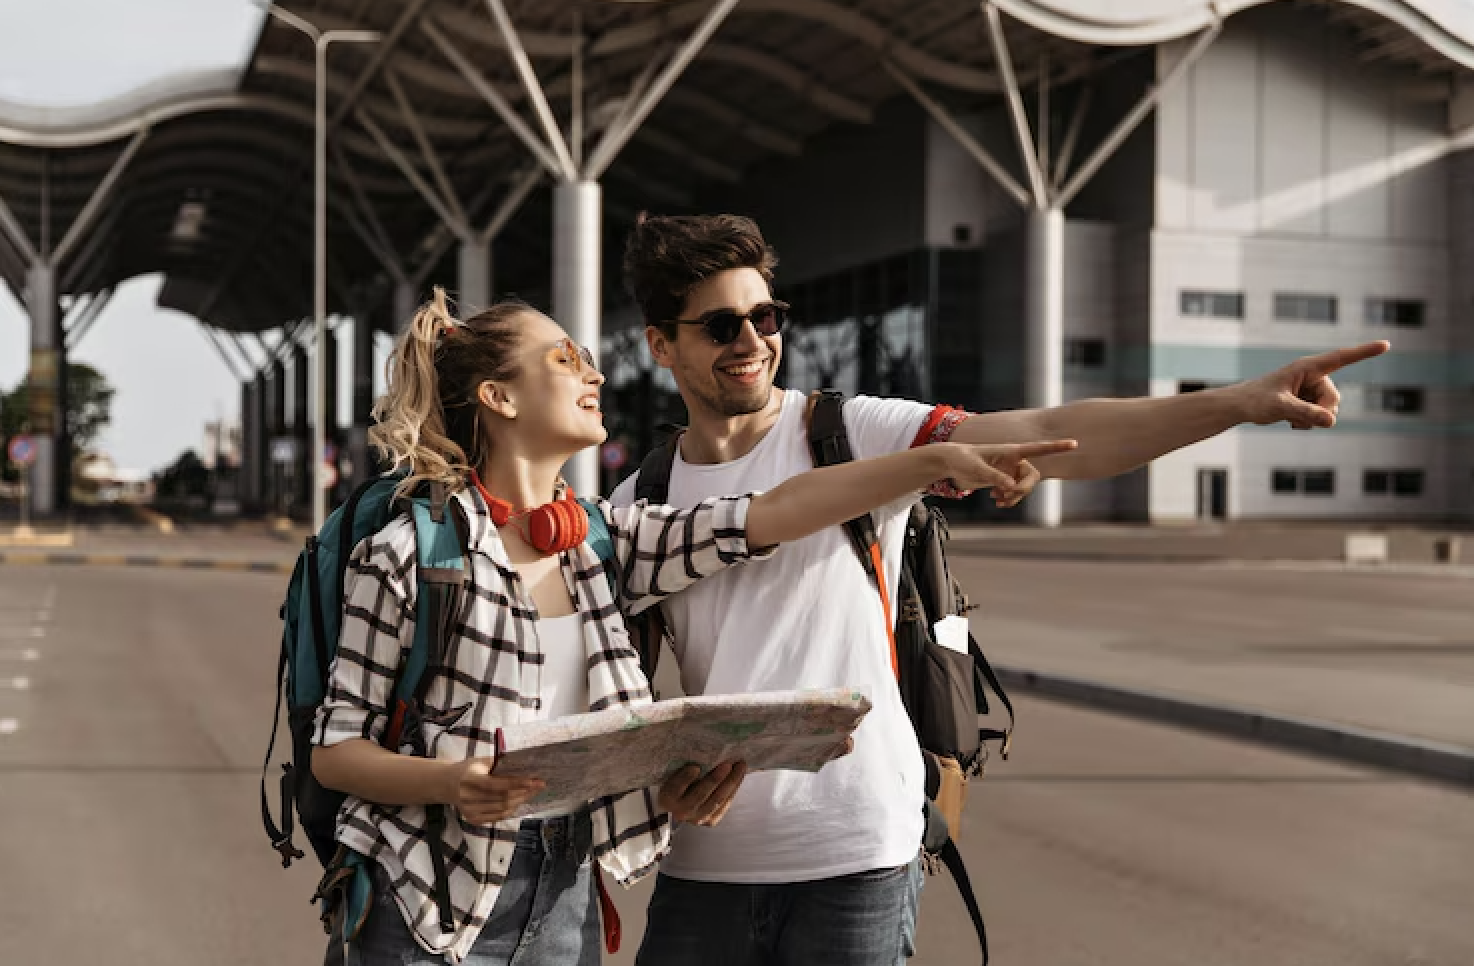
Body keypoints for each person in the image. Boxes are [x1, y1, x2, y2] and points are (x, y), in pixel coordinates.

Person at [611, 213, 1391, 966]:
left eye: (766, 316)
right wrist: (657, 775)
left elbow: (1052, 431)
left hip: (856, 854)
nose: (753, 342)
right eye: (720, 326)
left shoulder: (852, 434)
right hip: (706, 865)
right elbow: (611, 693)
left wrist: (1239, 403)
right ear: (661, 347)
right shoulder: (639, 499)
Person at [309, 287, 1077, 966]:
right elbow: (337, 752)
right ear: (499, 398)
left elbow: (776, 511)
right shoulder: (410, 553)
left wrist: (931, 461)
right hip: (427, 898)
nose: (595, 373)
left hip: (565, 896)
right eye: (566, 358)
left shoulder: (605, 541)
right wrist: (450, 782)